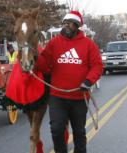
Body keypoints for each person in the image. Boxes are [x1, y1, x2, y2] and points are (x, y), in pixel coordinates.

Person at [36, 10, 103, 153]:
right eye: (65, 23)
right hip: (57, 97)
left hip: (79, 97)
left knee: (79, 132)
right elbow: (43, 65)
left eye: (69, 23)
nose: (66, 26)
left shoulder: (88, 44)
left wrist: (88, 81)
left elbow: (97, 66)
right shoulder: (54, 43)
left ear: (77, 25)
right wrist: (34, 56)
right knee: (56, 129)